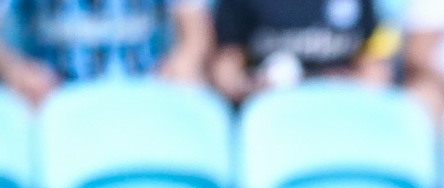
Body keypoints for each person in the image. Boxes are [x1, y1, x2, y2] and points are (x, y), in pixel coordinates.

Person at [0, 0, 212, 105]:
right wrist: (15, 71)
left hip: (146, 95)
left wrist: (183, 63)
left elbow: (195, 30)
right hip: (53, 103)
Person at [210, 0, 393, 102]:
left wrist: (348, 83)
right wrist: (249, 87)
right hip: (271, 108)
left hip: (340, 107)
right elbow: (226, 68)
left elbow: (375, 67)